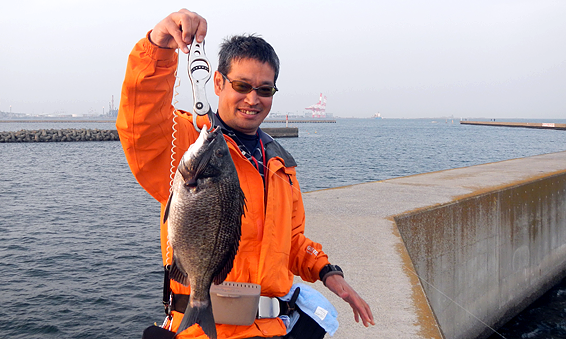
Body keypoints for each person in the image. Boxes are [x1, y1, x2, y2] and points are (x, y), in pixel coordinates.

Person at [116, 8, 374, 339]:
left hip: (272, 328)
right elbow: (141, 123)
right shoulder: (187, 138)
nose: (252, 99)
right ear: (219, 82)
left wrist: (327, 272)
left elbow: (290, 241)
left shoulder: (280, 164)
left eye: (265, 90)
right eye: (242, 85)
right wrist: (158, 47)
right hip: (200, 330)